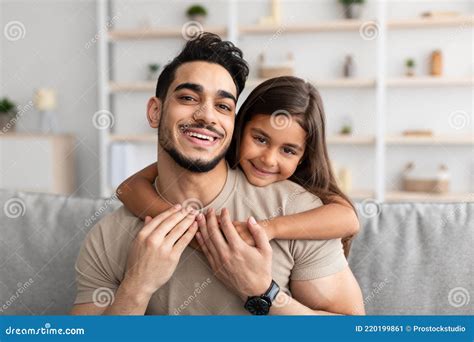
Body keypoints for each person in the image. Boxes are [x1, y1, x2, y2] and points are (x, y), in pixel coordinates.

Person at [71, 33, 365, 315]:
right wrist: (136, 287)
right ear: (155, 112)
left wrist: (263, 293)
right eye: (188, 98)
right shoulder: (109, 235)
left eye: (223, 106)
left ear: (232, 124)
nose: (207, 116)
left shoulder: (298, 212)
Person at [116, 76, 359, 258]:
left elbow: (349, 219)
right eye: (260, 139)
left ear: (304, 156)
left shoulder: (303, 196)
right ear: (239, 129)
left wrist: (269, 228)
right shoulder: (210, 164)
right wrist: (197, 235)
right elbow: (127, 188)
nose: (268, 159)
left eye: (288, 150)